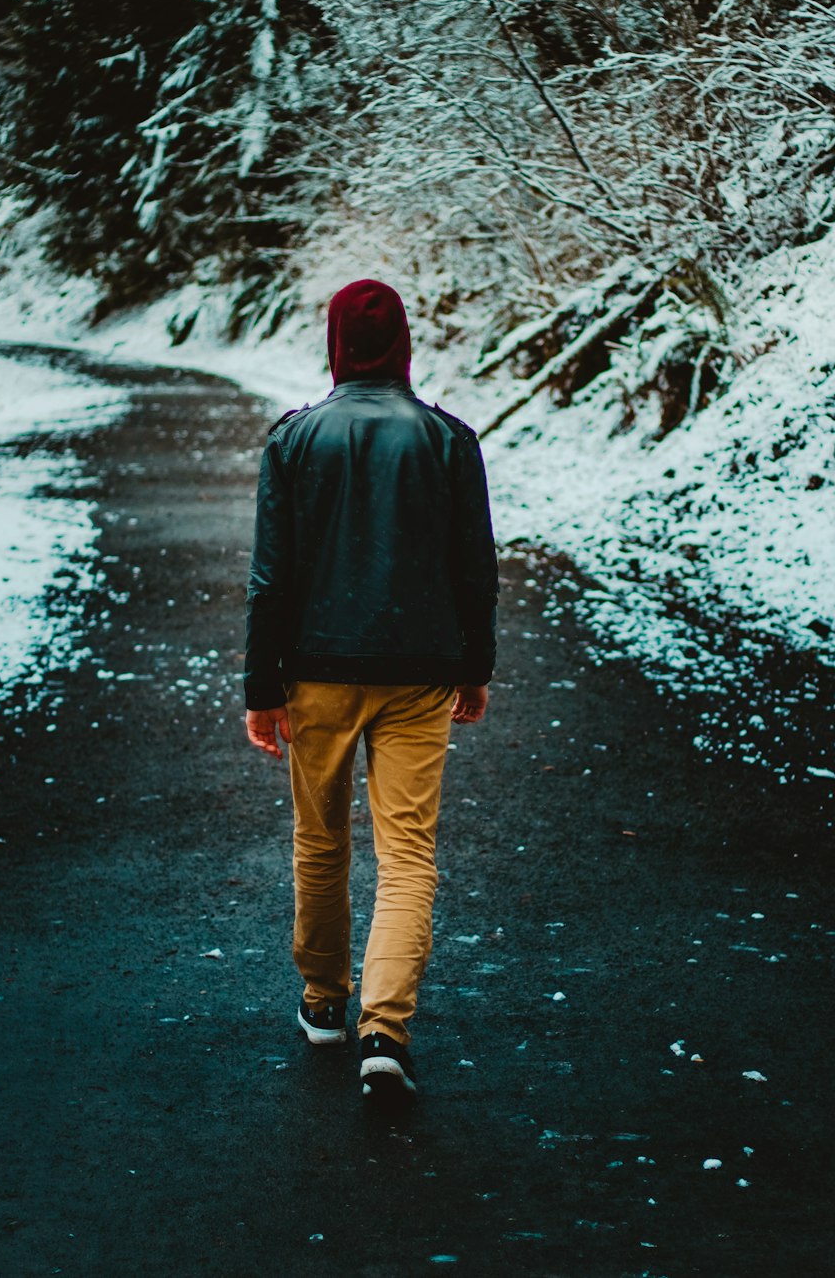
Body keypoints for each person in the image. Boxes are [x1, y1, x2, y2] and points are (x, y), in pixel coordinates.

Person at [243, 278, 498, 1101]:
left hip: (314, 674)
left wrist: (261, 687)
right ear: (404, 347)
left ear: (335, 344)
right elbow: (476, 570)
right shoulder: (449, 440)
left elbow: (270, 579)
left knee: (321, 843)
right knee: (408, 854)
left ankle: (324, 1001)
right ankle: (386, 1028)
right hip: (420, 676)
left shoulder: (292, 441)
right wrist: (475, 666)